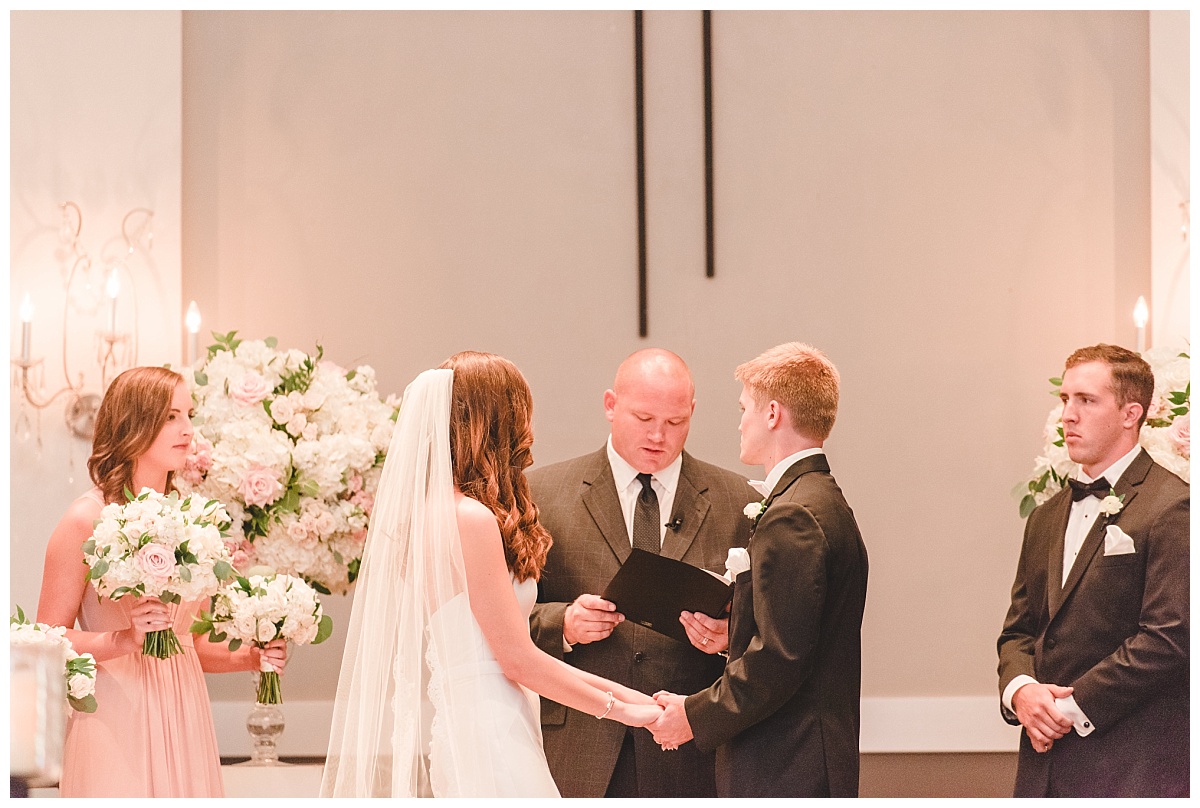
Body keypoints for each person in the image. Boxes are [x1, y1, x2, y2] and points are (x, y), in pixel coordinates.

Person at [321, 351, 662, 798]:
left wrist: (633, 700)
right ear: (496, 421)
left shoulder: (432, 514)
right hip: (491, 736)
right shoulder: (470, 519)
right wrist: (623, 709)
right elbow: (517, 659)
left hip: (478, 726)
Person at [36, 366, 287, 798]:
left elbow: (192, 641)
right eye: (171, 416)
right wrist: (123, 640)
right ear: (133, 424)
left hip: (185, 712)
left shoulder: (193, 521)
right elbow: (44, 639)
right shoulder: (84, 519)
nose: (188, 430)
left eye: (188, 415)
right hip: (116, 714)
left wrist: (252, 656)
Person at [528, 348, 758, 797]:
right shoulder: (543, 494)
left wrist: (730, 636)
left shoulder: (739, 501)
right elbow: (498, 624)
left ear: (692, 412)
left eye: (675, 423)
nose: (659, 435)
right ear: (611, 405)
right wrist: (565, 624)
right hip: (577, 743)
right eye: (643, 418)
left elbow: (771, 630)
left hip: (692, 751)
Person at [649, 342, 869, 797]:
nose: (739, 421)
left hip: (787, 761)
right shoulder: (819, 498)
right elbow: (800, 632)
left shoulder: (794, 514)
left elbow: (779, 659)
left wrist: (692, 717)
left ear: (772, 414)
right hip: (804, 756)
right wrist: (732, 631)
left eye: (744, 408)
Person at [996, 344, 1189, 797]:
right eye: (1065, 400)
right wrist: (1021, 691)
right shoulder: (1045, 517)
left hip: (1130, 766)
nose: (1068, 415)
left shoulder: (1173, 505)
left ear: (1131, 413)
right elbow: (1019, 632)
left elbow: (1168, 637)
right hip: (1043, 769)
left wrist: (1067, 710)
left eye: (1086, 400)